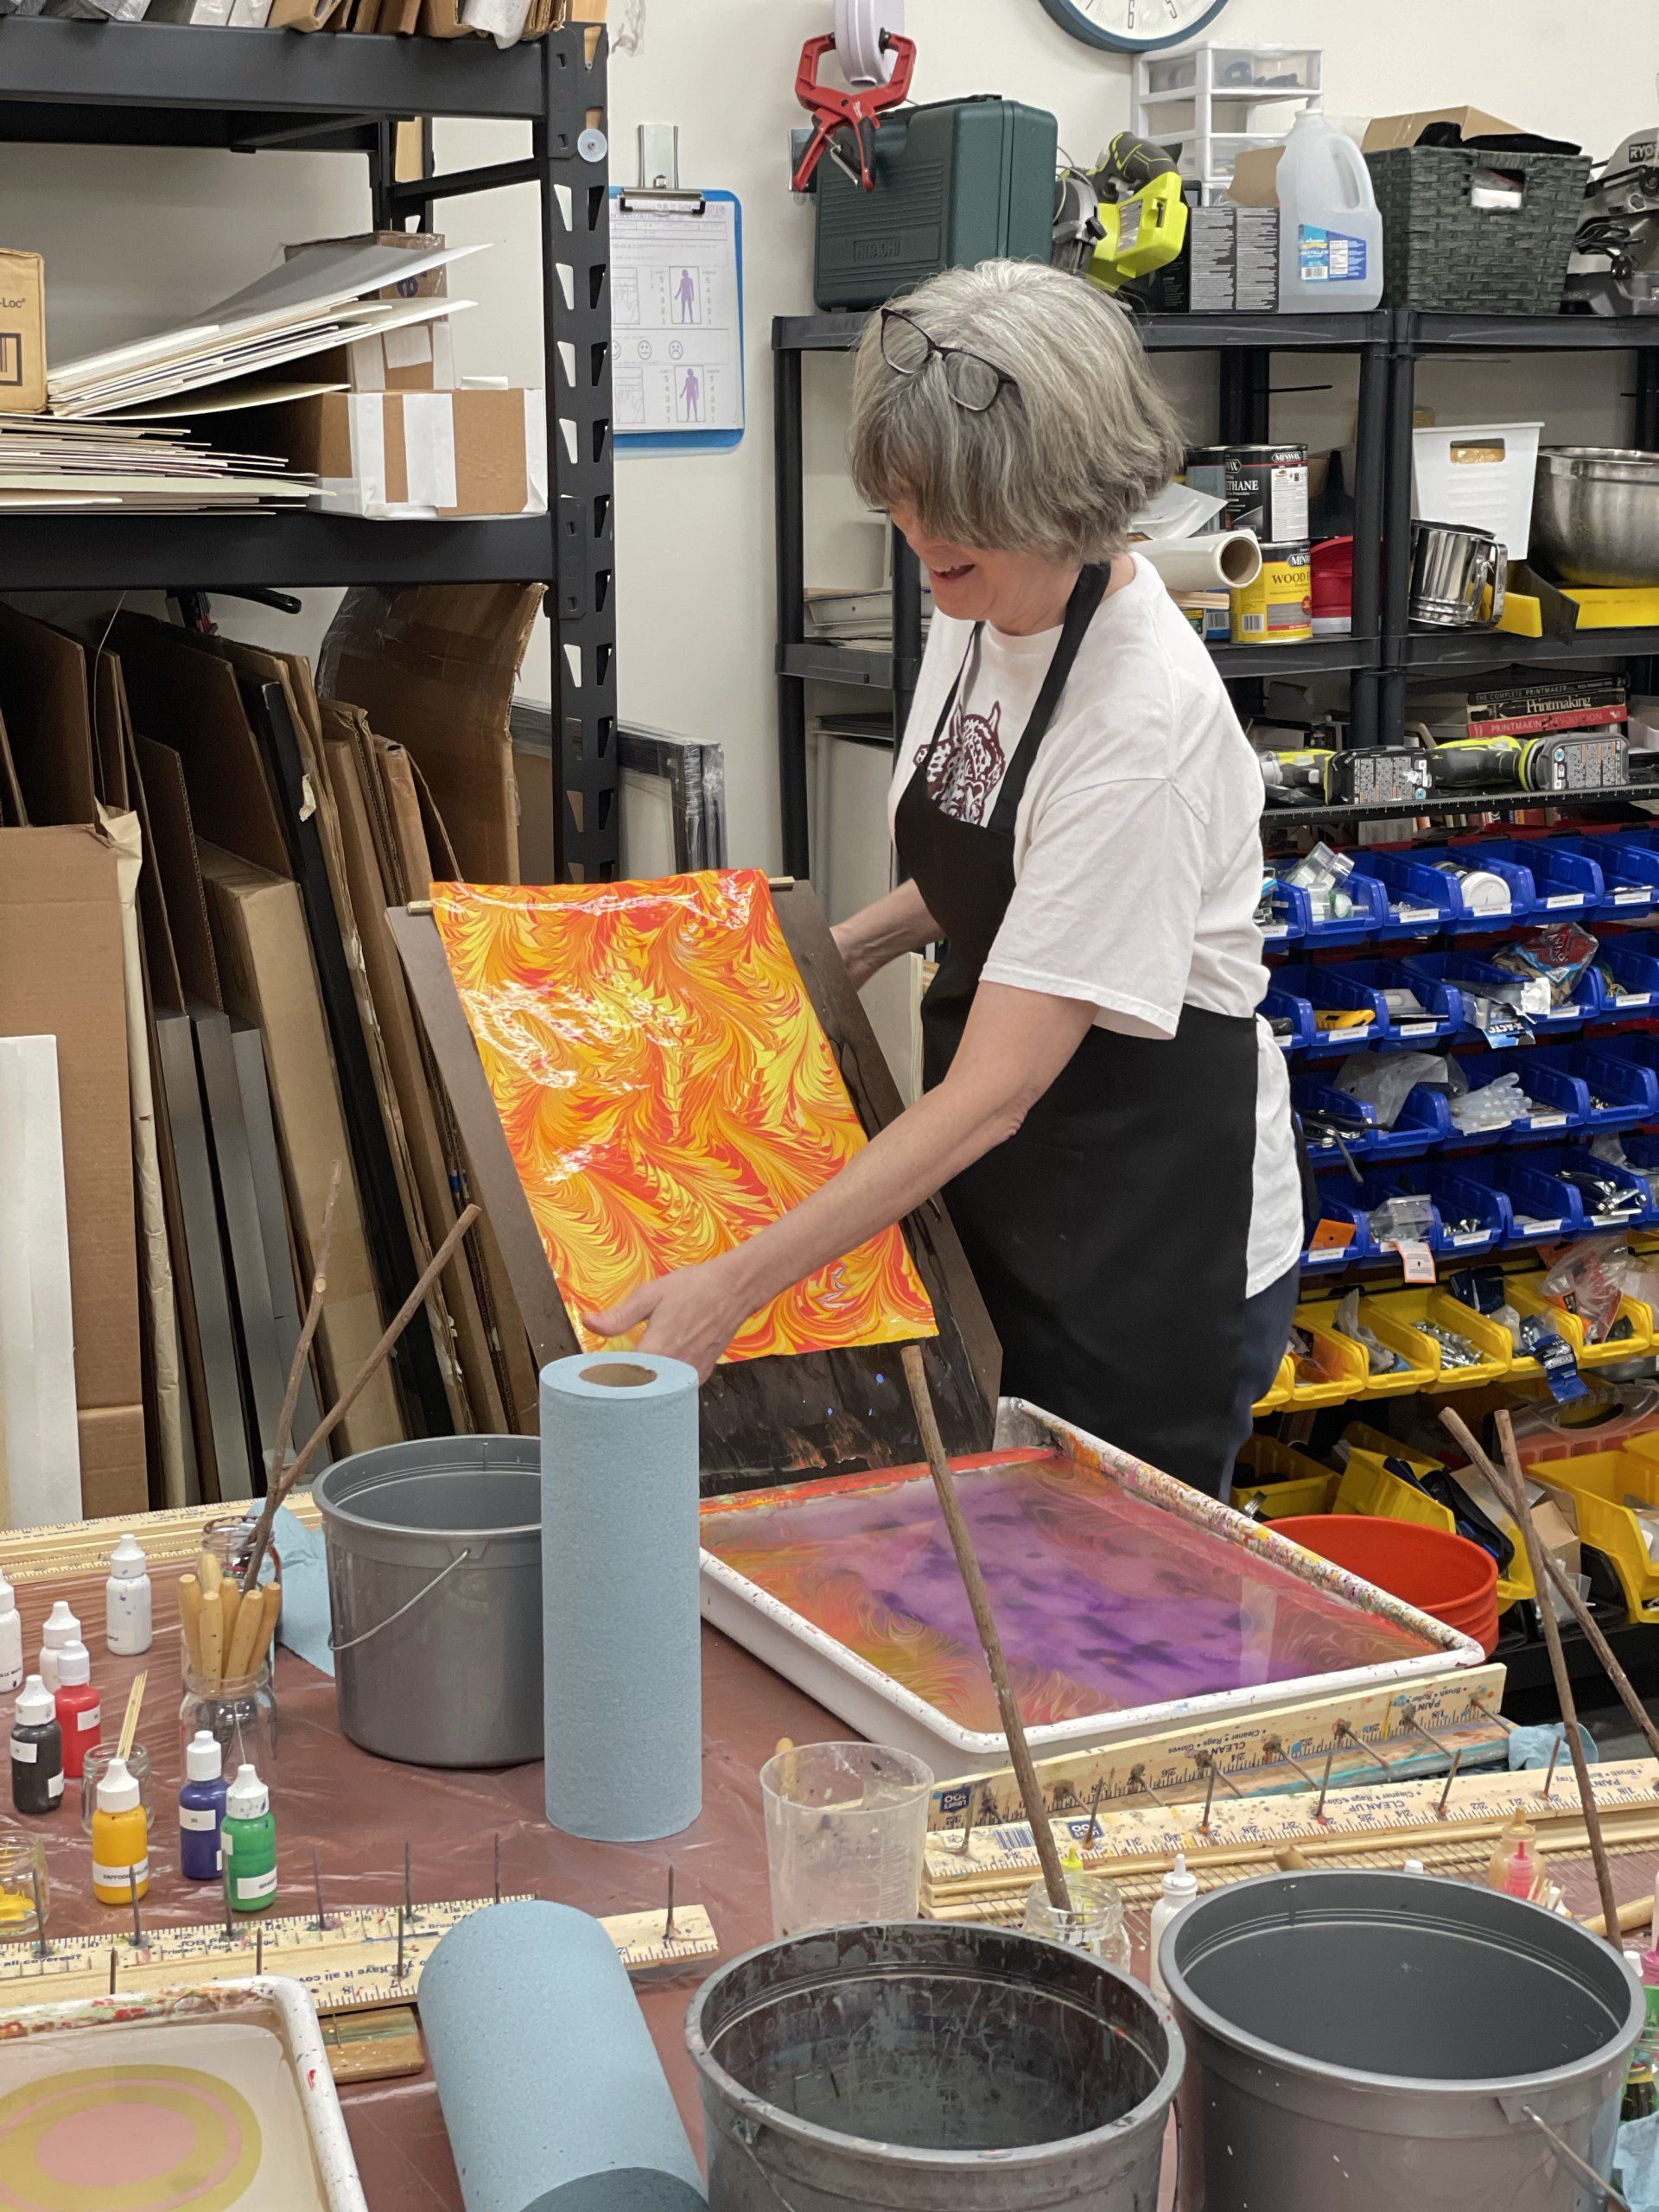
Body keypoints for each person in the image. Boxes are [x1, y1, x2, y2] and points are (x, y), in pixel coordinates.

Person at [589, 258, 1304, 1497]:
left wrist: (731, 1289)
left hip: (1150, 1222)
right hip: (1025, 1177)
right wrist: (836, 950)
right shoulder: (979, 601)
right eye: (905, 498)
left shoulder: (1139, 722)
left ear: (1059, 497)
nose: (918, 537)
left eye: (949, 510)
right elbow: (1009, 850)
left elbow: (995, 1092)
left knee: (1104, 1611)